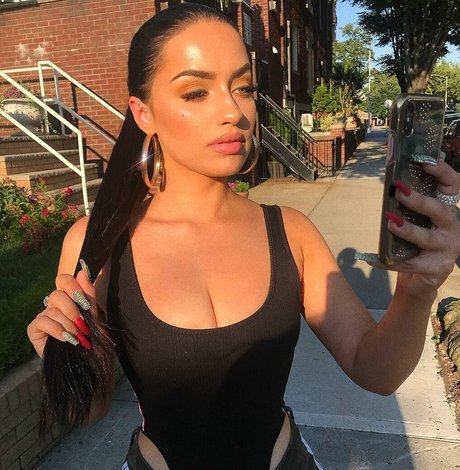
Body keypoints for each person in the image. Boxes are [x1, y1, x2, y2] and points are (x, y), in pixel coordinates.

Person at [27, 3, 460, 470]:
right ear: (143, 112)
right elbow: (89, 411)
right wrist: (58, 349)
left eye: (244, 87)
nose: (233, 111)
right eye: (196, 92)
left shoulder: (291, 232)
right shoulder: (98, 244)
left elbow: (374, 370)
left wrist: (416, 291)